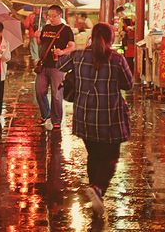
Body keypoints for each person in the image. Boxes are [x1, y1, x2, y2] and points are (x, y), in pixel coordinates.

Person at [59, 22, 133, 215]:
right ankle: (98, 188)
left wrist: (68, 50)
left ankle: (95, 189)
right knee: (111, 158)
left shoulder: (78, 56)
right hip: (109, 117)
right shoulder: (116, 59)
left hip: (85, 116)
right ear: (110, 39)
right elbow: (128, 84)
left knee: (94, 155)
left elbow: (60, 64)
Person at [35, 5, 75, 131]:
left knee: (56, 94)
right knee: (40, 90)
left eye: (53, 16)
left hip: (58, 66)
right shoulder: (45, 28)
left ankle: (56, 120)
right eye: (49, 16)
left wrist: (62, 52)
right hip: (44, 65)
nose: (50, 18)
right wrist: (37, 37)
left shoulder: (66, 30)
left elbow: (72, 46)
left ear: (60, 15)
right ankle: (45, 114)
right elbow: (41, 44)